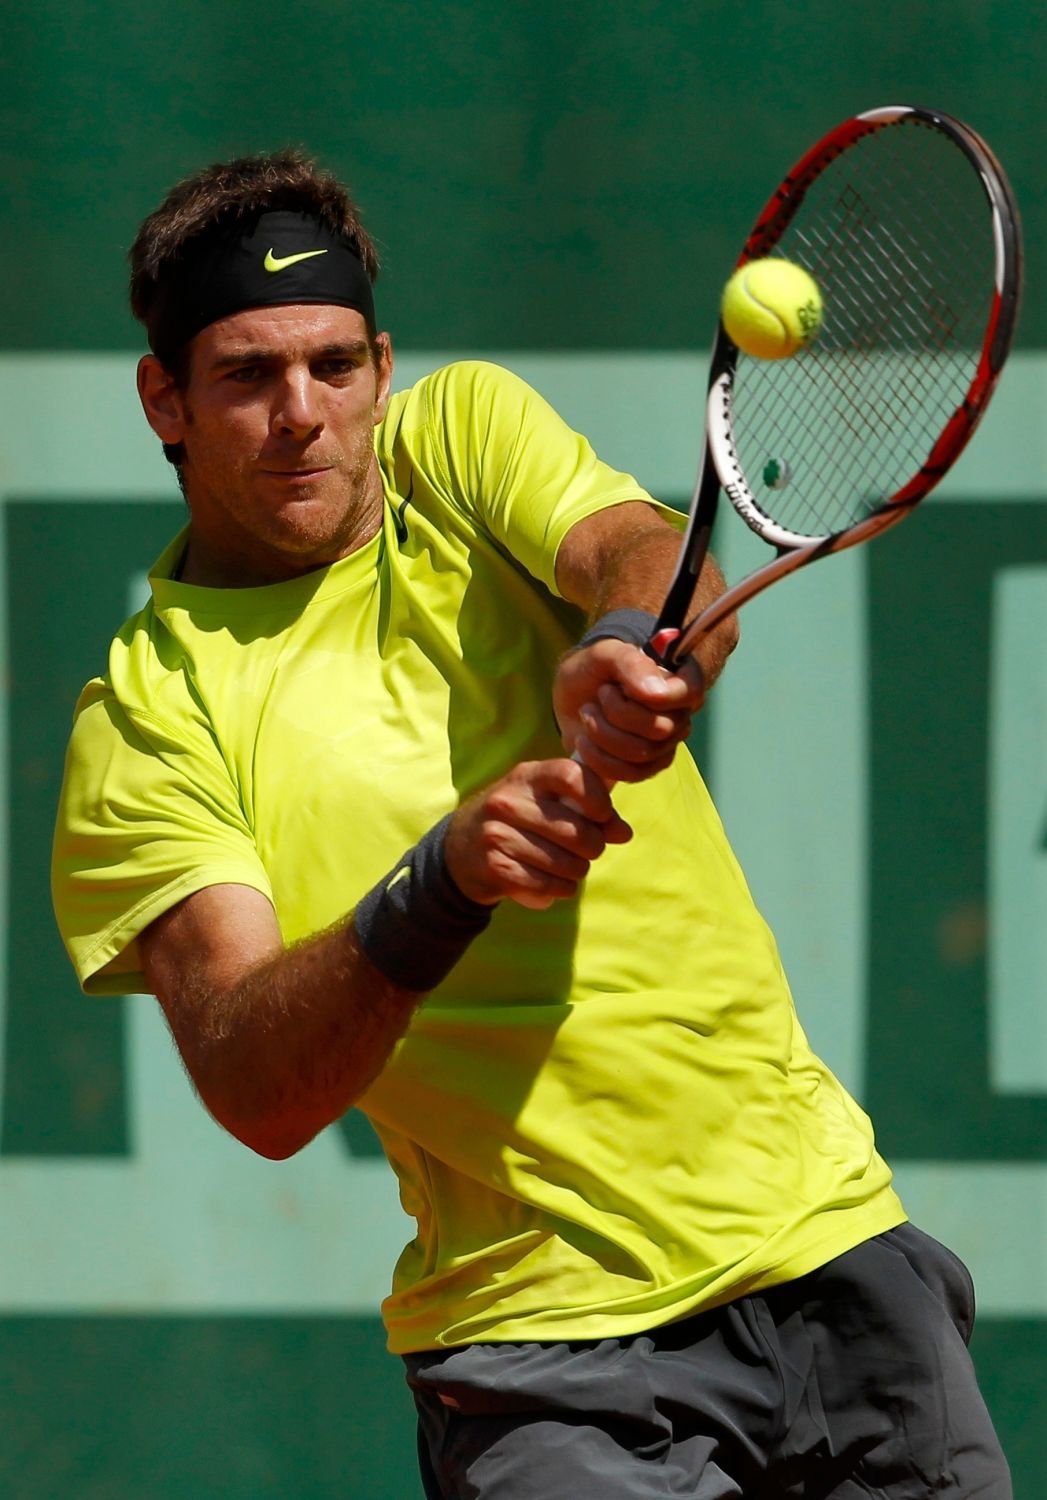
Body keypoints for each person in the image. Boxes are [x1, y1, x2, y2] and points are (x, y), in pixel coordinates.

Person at [52, 150, 1010, 1498]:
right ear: (166, 398)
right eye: (247, 375)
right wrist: (437, 884)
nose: (301, 414)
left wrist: (626, 645)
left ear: (382, 368)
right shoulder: (150, 718)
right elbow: (252, 1081)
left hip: (827, 1248)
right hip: (546, 1356)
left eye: (334, 366)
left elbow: (633, 551)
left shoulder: (457, 440)